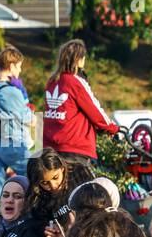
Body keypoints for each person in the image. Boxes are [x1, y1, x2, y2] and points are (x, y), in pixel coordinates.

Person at [42, 39, 118, 171]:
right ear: (78, 59)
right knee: (79, 190)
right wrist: (112, 128)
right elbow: (95, 110)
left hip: (51, 148)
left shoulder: (52, 81)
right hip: (74, 148)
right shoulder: (75, 81)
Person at [0, 45, 35, 208]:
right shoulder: (11, 91)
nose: (20, 71)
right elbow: (29, 119)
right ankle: (36, 217)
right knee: (36, 176)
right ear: (11, 66)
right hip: (12, 144)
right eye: (19, 66)